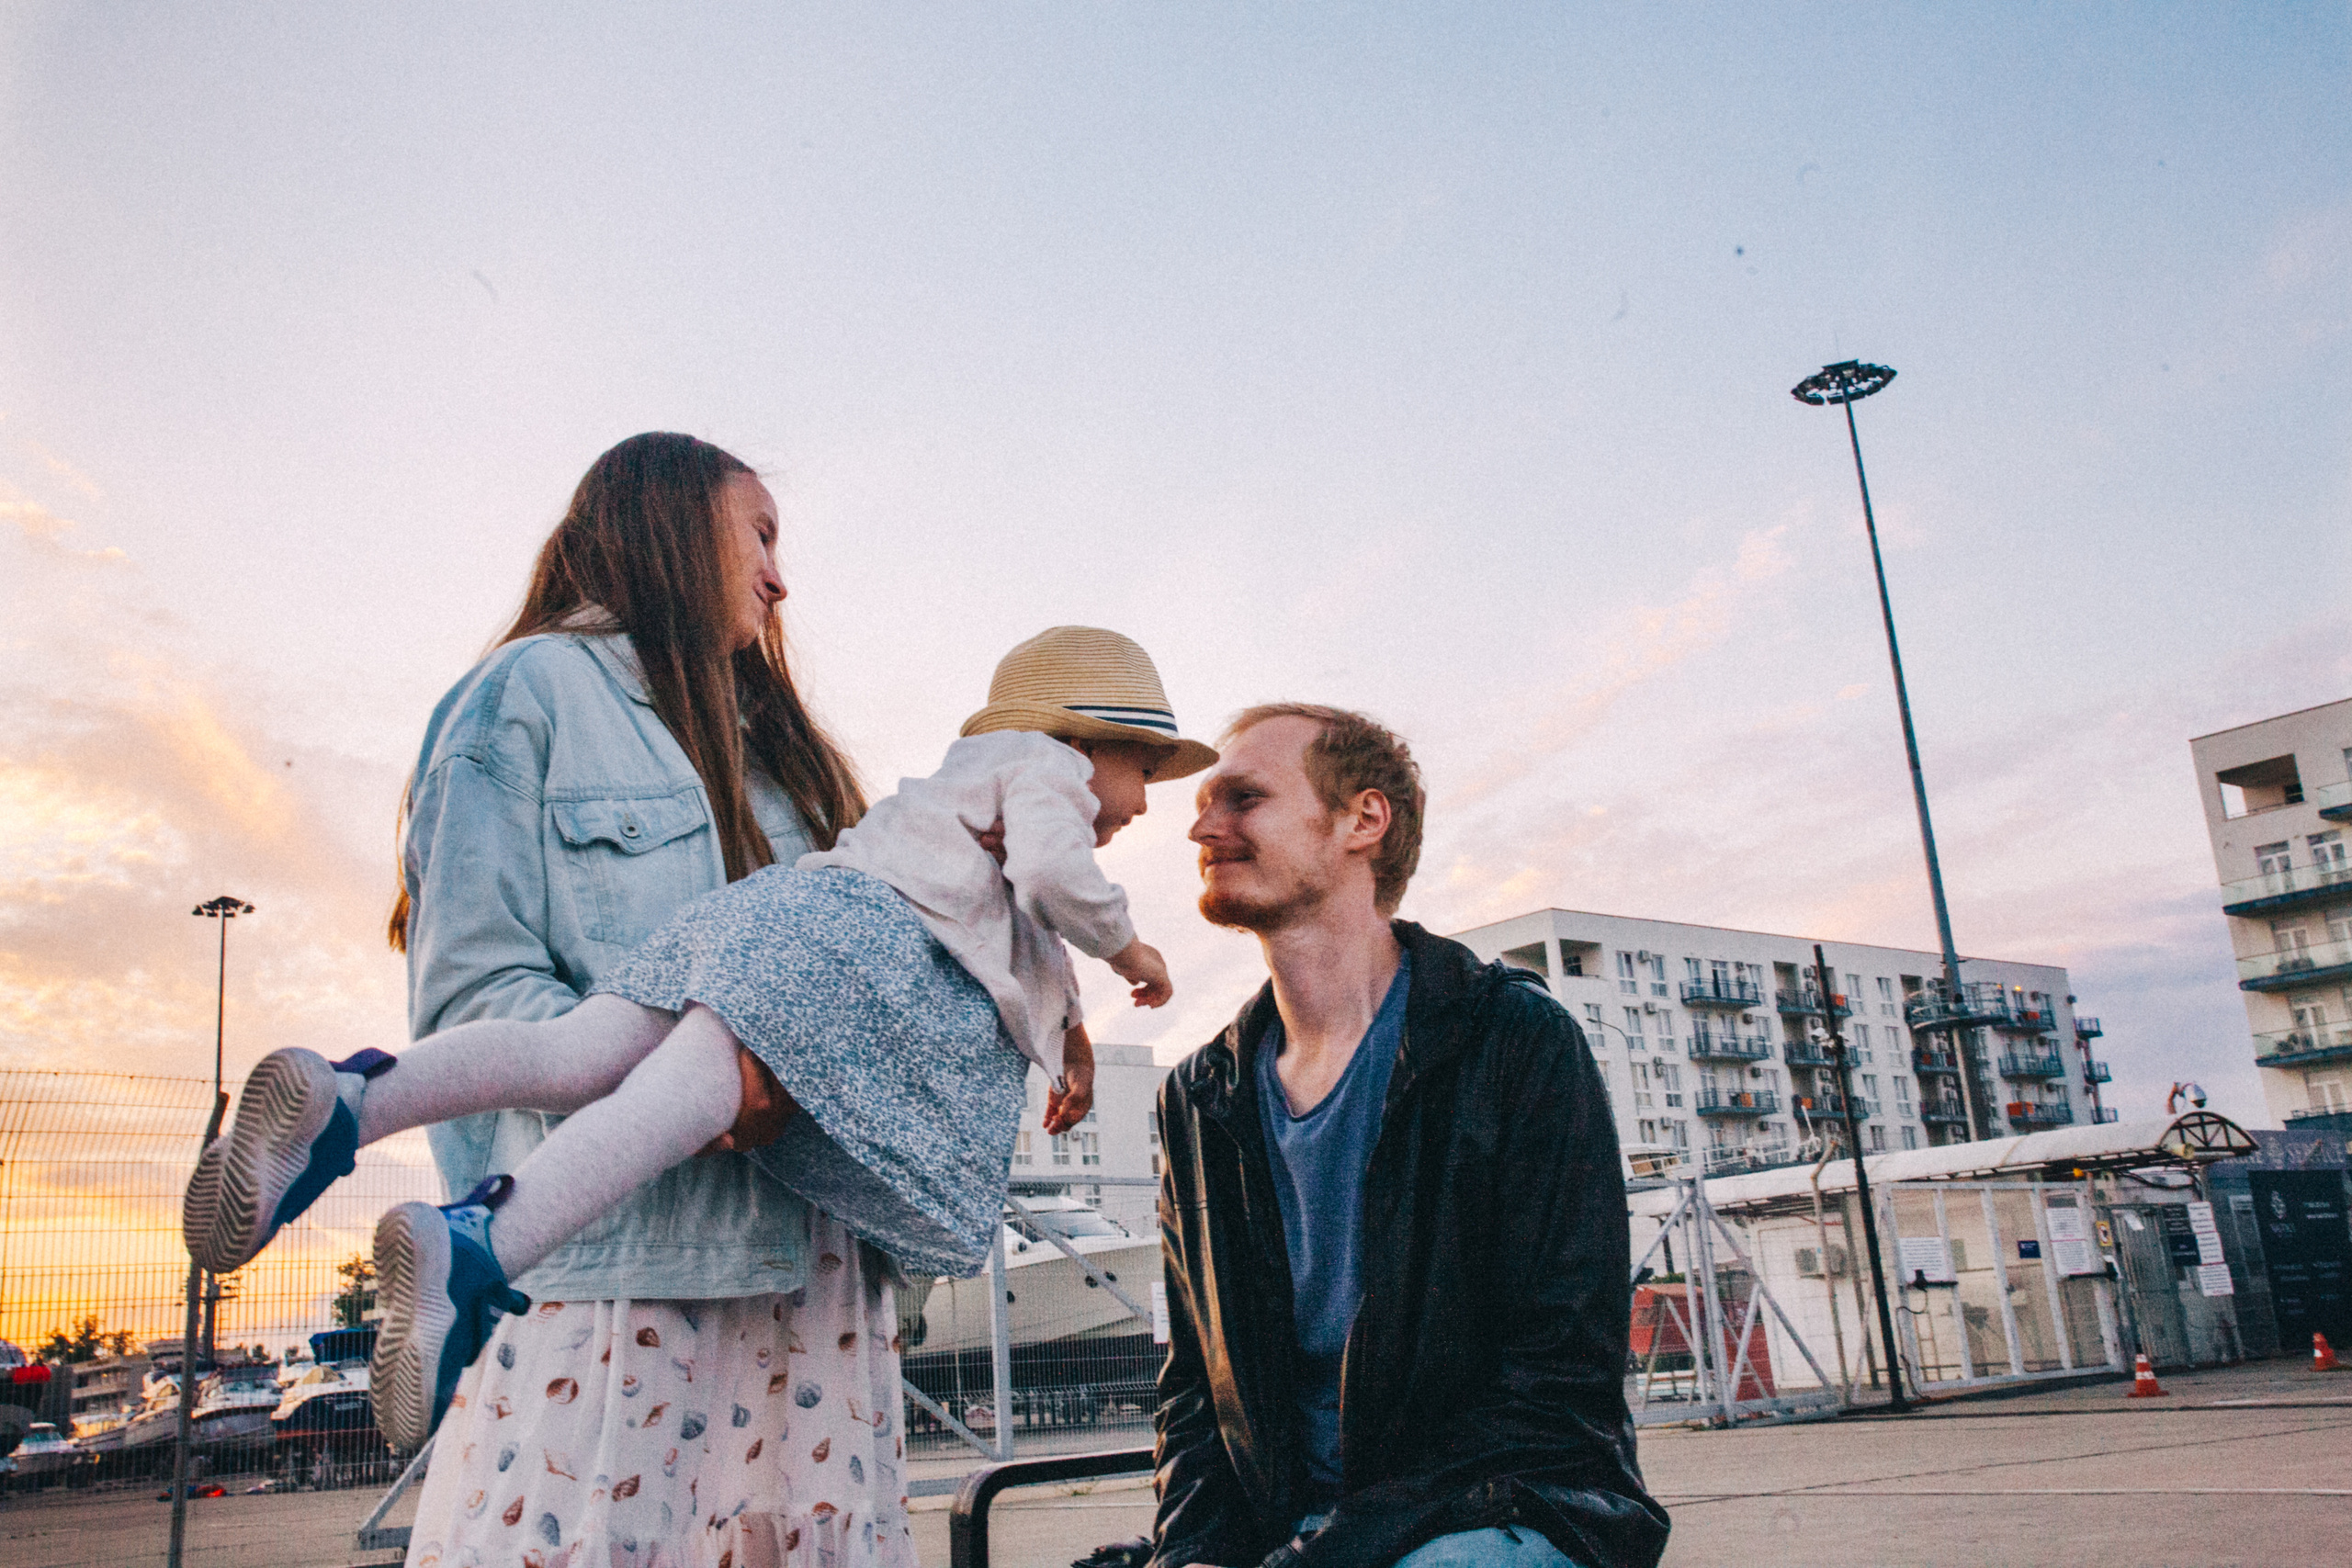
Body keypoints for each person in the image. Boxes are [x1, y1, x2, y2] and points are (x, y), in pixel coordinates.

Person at [187, 625, 1212, 1452]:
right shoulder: (1047, 775)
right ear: (1089, 742)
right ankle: (479, 1244)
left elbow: (1013, 938)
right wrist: (1132, 953)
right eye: (1144, 775)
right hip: (840, 959)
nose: (1135, 807)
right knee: (674, 1106)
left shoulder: (961, 788)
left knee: (580, 1056)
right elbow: (1051, 881)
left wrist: (1068, 1035)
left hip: (769, 919)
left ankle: (349, 1099)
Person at [1153, 705, 1668, 1568]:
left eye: (1242, 797)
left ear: (1364, 819)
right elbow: (1196, 1397)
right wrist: (1192, 1554)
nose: (1204, 826)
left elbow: (1559, 1375)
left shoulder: (1512, 1040)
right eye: (1205, 804)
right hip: (1297, 1539)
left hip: (1506, 1509)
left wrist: (1338, 1548)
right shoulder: (1202, 1095)